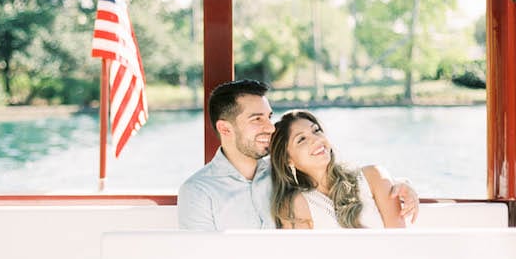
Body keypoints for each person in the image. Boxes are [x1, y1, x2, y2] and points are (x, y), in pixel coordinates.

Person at [177, 79, 418, 230]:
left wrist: (399, 184)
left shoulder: (281, 172)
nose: (270, 127)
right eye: (257, 119)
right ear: (225, 129)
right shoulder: (198, 192)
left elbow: (332, 169)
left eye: (269, 117)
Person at [270, 109, 405, 228]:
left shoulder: (374, 177)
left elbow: (400, 241)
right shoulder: (296, 205)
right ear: (288, 159)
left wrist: (403, 183)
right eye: (302, 139)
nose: (316, 140)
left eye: (316, 130)